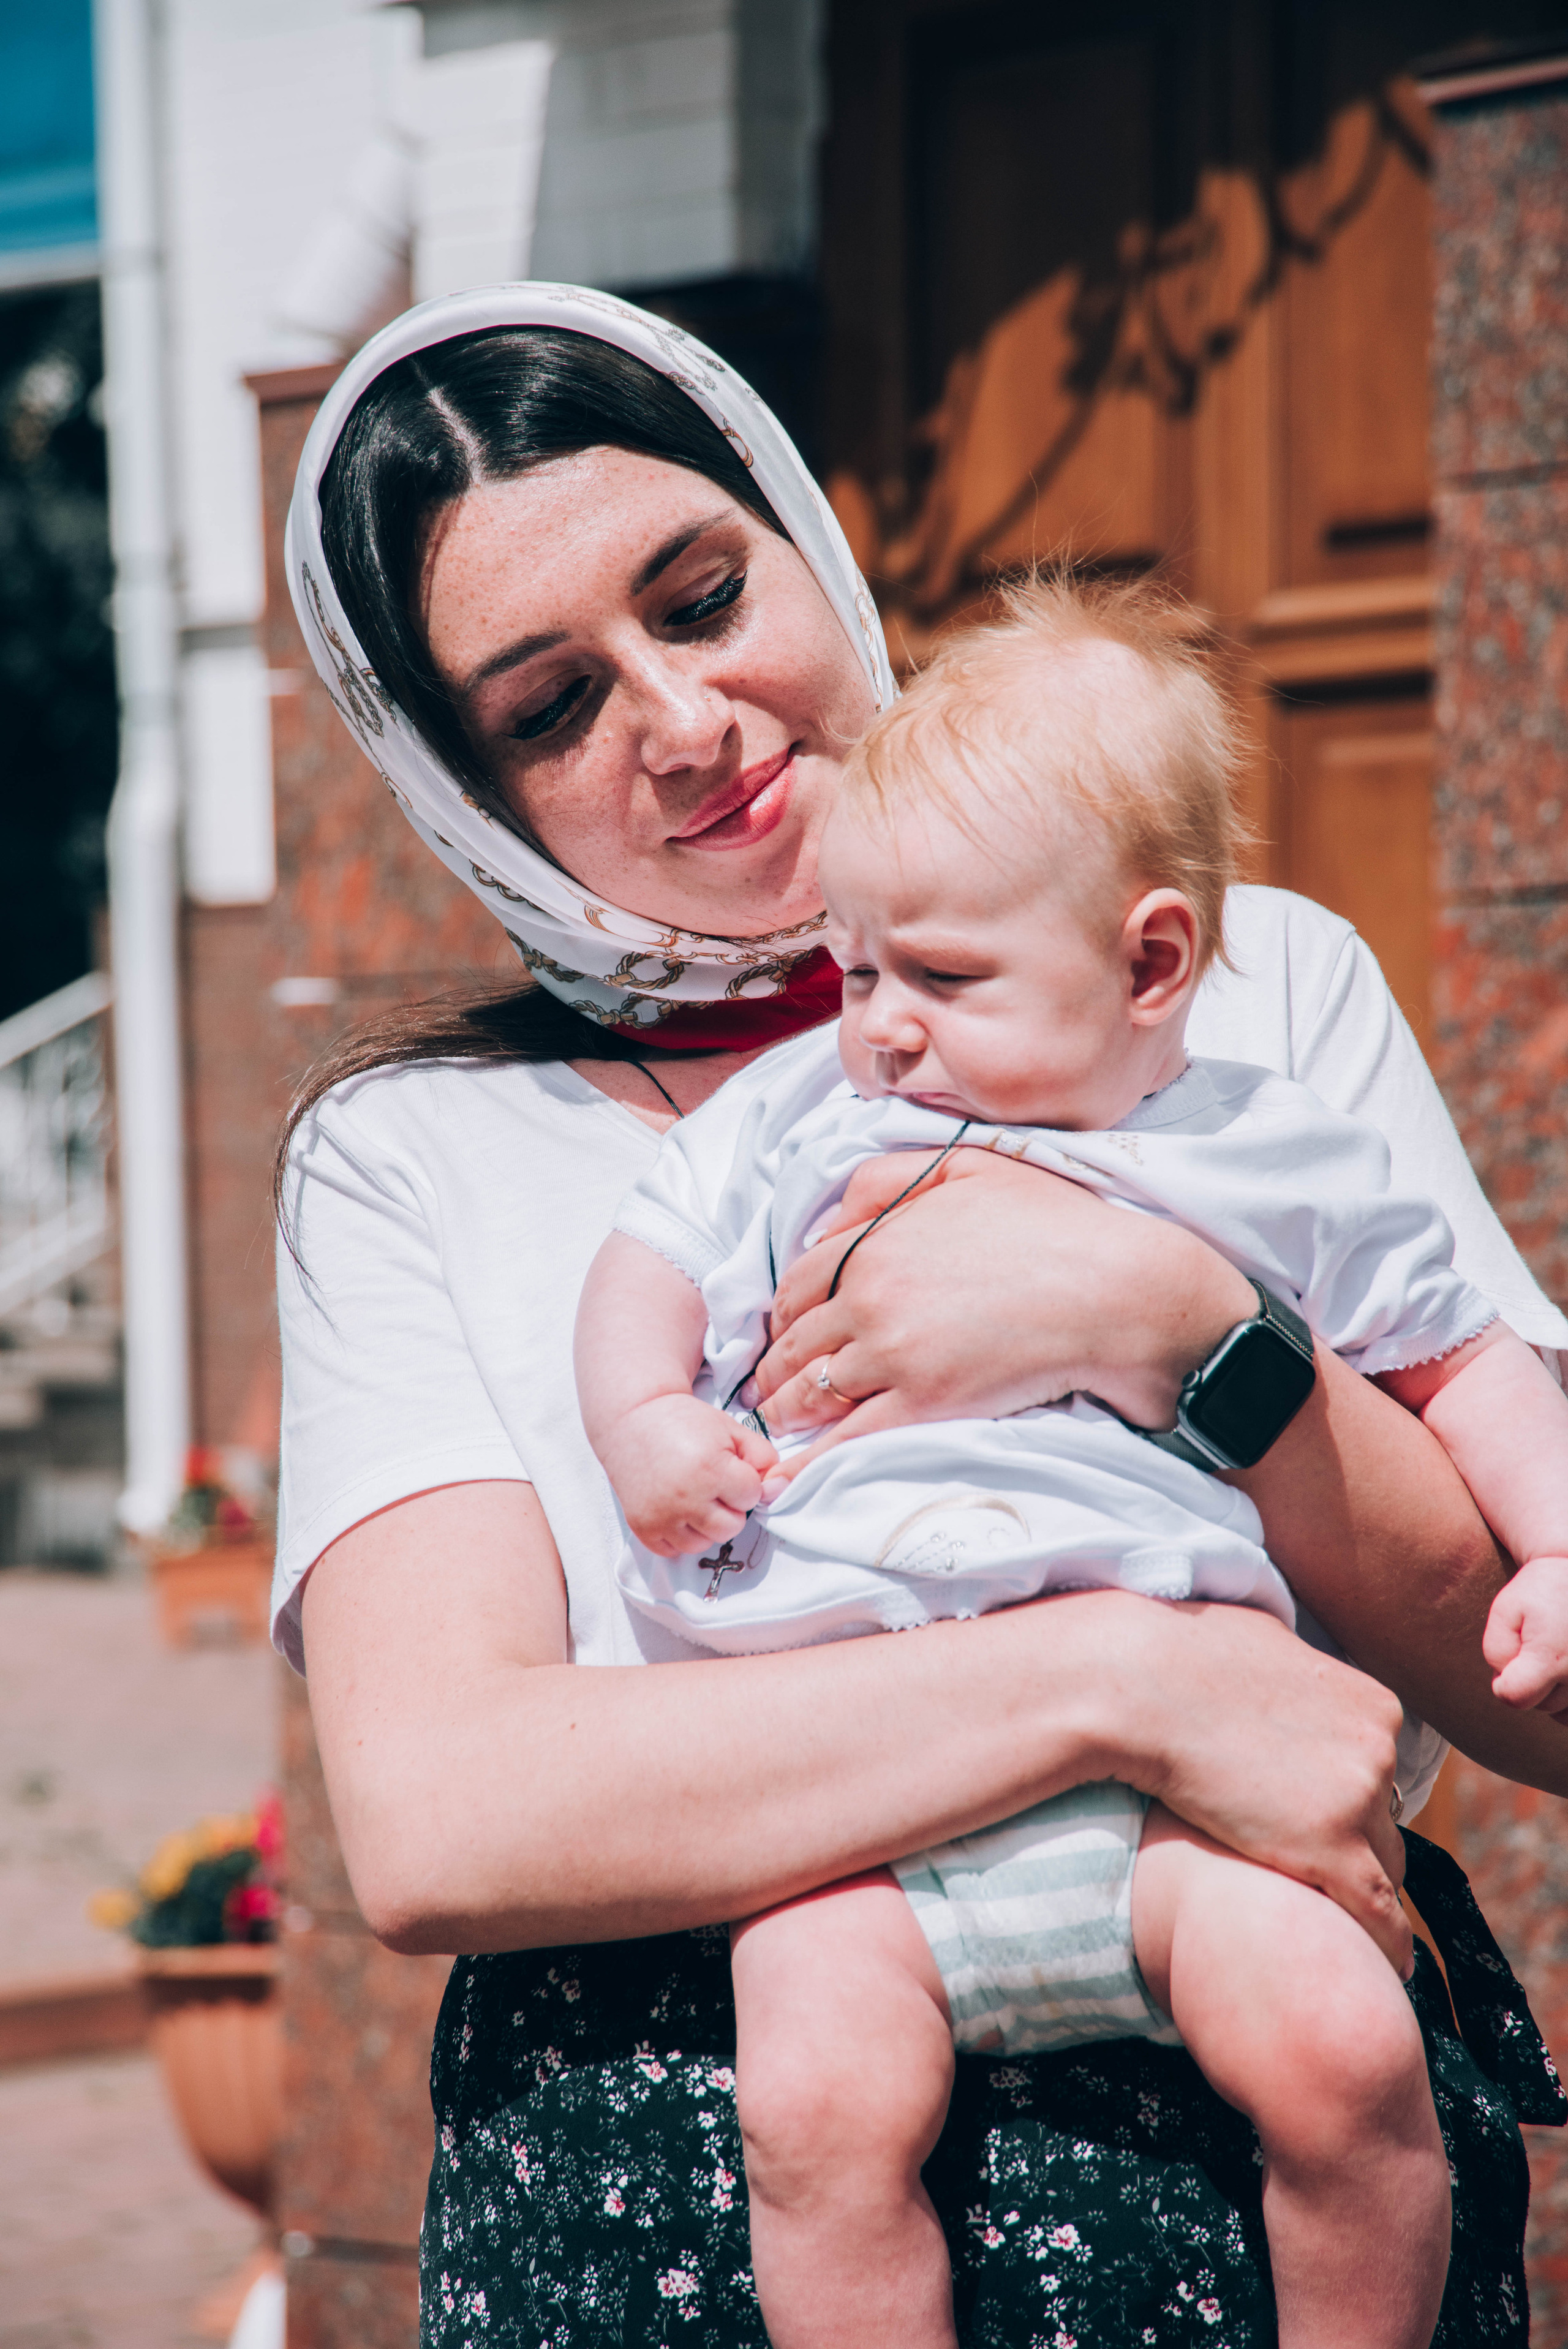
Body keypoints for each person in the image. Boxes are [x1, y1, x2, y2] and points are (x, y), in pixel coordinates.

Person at [274, 285, 1568, 2347]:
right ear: (467, 794)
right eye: (549, 708)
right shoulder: (416, 1152)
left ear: (807, 536)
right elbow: (443, 1817)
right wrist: (1131, 1680)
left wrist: (1183, 1322)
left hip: (1254, 2130)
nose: (683, 721)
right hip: (688, 2167)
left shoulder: (1252, 998)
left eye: (701, 596)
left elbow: (1540, 1692)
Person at [577, 574, 1568, 2349]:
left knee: (1351, 2060)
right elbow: (645, 1261)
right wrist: (649, 1417)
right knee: (810, 2111)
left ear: (1151, 961)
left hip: (1191, 1804)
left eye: (943, 976)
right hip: (855, 1789)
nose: (878, 1020)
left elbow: (1466, 1358)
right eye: (857, 963)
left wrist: (1558, 1545)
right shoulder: (813, 1114)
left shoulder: (1275, 1150)